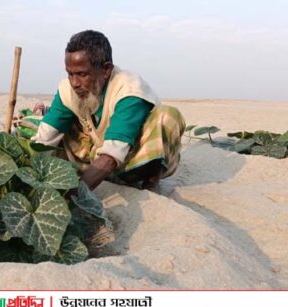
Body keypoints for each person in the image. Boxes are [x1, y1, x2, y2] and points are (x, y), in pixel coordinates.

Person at [32, 30, 185, 191]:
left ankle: (150, 183)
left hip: (130, 158)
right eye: (70, 74)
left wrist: (76, 195)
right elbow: (45, 138)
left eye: (82, 74)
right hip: (92, 156)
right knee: (43, 128)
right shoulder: (67, 90)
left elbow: (112, 155)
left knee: (168, 117)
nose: (74, 83)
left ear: (106, 69)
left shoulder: (129, 89)